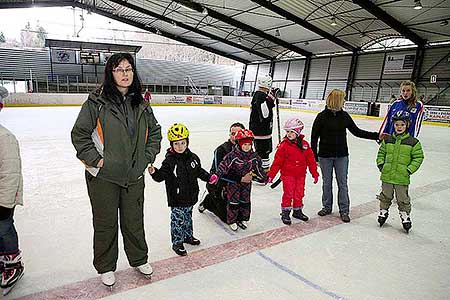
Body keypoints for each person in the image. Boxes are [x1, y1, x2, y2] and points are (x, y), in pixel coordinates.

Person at [71, 53, 162, 288]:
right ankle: (106, 266)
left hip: (134, 175)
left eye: (129, 69)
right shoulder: (96, 103)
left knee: (134, 221)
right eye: (119, 69)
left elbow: (155, 133)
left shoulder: (141, 103)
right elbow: (79, 135)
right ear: (110, 74)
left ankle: (139, 259)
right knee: (105, 223)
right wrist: (97, 161)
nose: (125, 74)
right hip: (103, 177)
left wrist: (146, 158)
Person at [311, 89, 379, 223]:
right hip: (325, 156)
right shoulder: (321, 117)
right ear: (336, 100)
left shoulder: (345, 116)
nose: (344, 101)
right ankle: (326, 207)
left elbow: (357, 132)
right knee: (327, 183)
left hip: (342, 156)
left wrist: (376, 136)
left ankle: (344, 210)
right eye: (343, 99)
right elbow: (314, 138)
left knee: (342, 183)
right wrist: (315, 156)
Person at [148, 123, 211, 256]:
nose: (180, 146)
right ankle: (177, 242)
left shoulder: (193, 157)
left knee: (188, 218)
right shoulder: (170, 161)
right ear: (171, 145)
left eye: (182, 143)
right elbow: (161, 176)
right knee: (178, 221)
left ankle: (188, 236)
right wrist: (154, 172)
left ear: (187, 142)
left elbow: (198, 171)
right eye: (176, 144)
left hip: (191, 195)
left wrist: (209, 178)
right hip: (177, 199)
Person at [376, 111, 424, 233]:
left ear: (407, 125)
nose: (399, 127)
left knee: (403, 198)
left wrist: (409, 169)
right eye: (397, 124)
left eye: (402, 124)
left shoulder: (413, 142)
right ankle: (383, 211)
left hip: (402, 177)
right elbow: (381, 153)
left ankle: (405, 215)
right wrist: (381, 165)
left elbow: (418, 157)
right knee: (385, 195)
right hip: (387, 176)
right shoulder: (387, 140)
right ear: (394, 125)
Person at [210, 129, 266, 231]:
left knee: (245, 200)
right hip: (234, 183)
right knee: (233, 202)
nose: (247, 147)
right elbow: (223, 166)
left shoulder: (254, 156)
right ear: (239, 144)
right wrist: (216, 176)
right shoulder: (232, 156)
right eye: (244, 145)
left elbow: (259, 167)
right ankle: (232, 220)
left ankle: (243, 218)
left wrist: (264, 177)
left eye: (249, 145)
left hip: (246, 184)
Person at [266, 118, 319, 225]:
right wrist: (271, 175)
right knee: (288, 193)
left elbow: (311, 160)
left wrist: (315, 173)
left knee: (299, 193)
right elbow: (277, 162)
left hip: (300, 175)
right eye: (287, 132)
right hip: (288, 175)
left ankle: (297, 210)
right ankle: (285, 212)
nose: (289, 134)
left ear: (298, 132)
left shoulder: (305, 145)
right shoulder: (284, 146)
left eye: (291, 132)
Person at [198, 122, 252, 223]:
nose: (235, 136)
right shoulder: (221, 150)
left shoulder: (246, 147)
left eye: (238, 133)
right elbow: (221, 173)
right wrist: (240, 179)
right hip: (219, 184)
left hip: (237, 185)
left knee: (240, 214)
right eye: (233, 134)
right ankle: (208, 201)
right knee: (228, 218)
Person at [0, 87, 25, 296]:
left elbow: (11, 172)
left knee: (4, 229)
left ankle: (12, 262)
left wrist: (4, 203)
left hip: (3, 198)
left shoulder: (5, 137)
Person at [249, 75, 279, 183]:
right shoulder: (260, 96)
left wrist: (271, 98)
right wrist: (271, 98)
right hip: (261, 132)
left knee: (262, 152)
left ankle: (259, 171)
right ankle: (263, 174)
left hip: (260, 131)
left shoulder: (259, 95)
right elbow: (265, 114)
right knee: (264, 152)